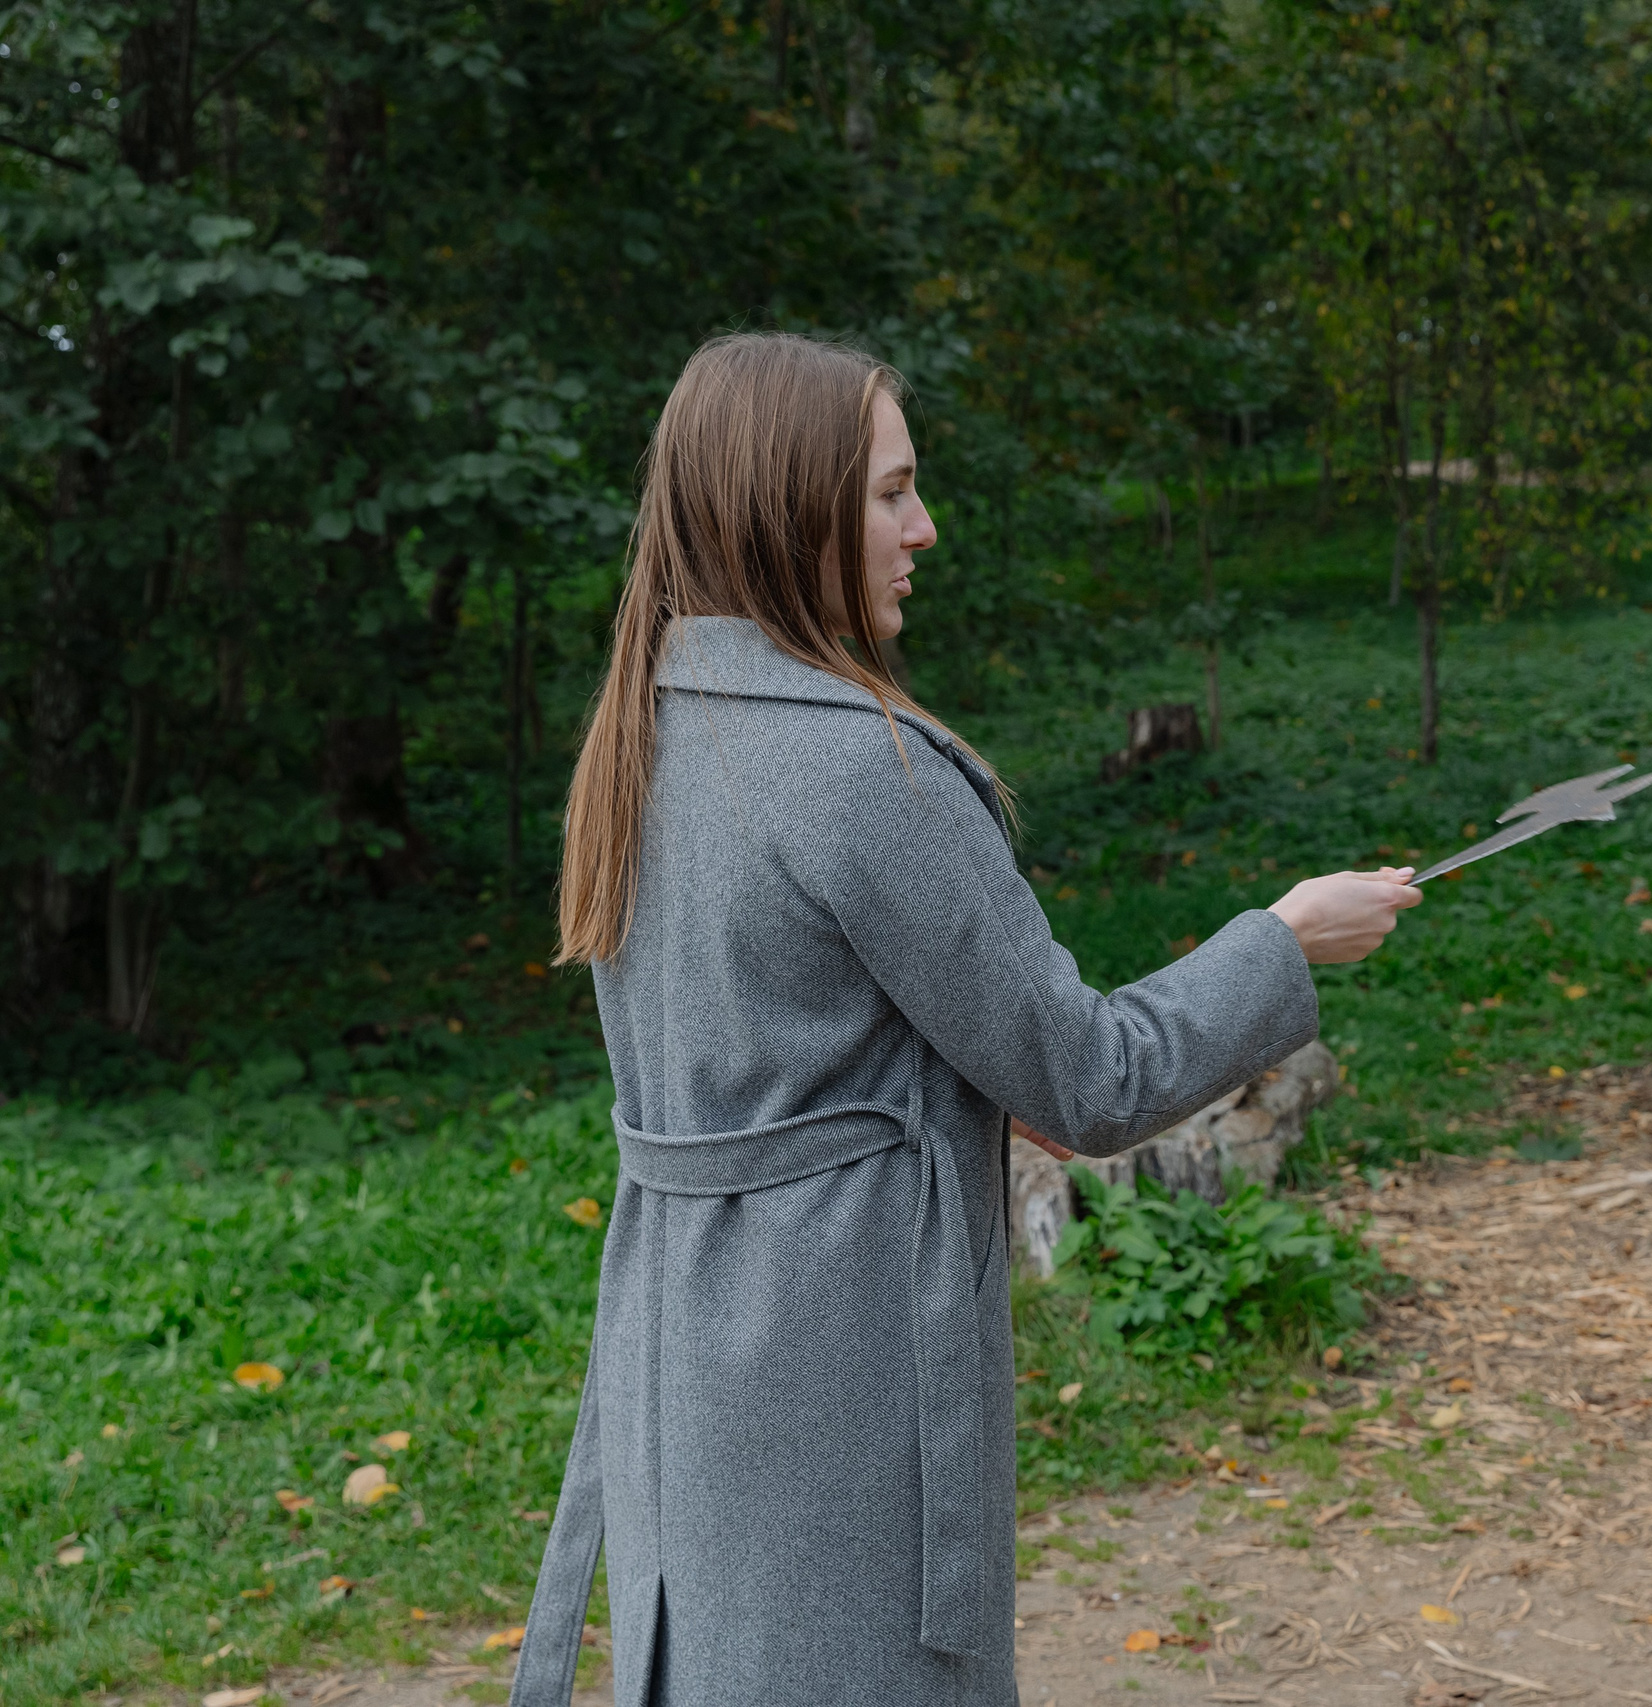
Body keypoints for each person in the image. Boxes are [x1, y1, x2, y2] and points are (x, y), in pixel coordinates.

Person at [510, 331, 1421, 1707]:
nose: (922, 527)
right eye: (891, 492)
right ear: (787, 501)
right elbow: (1089, 1081)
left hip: (681, 1358)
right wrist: (1284, 943)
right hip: (835, 1365)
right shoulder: (863, 771)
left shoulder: (649, 728)